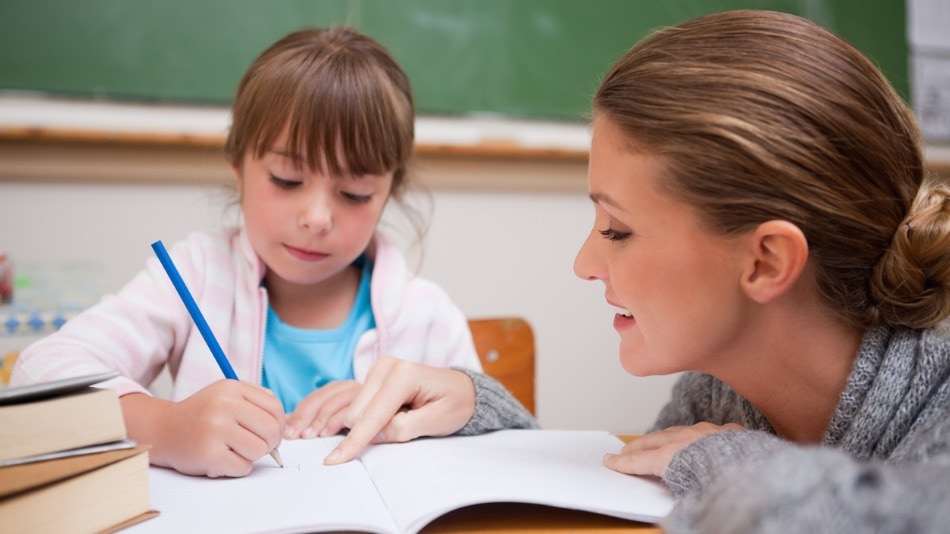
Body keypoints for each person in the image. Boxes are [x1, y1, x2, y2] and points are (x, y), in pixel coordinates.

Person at [323, 10, 950, 532]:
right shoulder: (721, 392)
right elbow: (620, 489)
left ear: (765, 261)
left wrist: (724, 458)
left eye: (617, 231)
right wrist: (477, 408)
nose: (584, 264)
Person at [10, 26, 488, 478]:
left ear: (388, 192)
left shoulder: (425, 315)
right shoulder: (194, 276)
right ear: (237, 166)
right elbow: (37, 376)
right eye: (286, 180)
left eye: (356, 193)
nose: (317, 217)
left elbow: (500, 449)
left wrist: (437, 408)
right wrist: (164, 428)